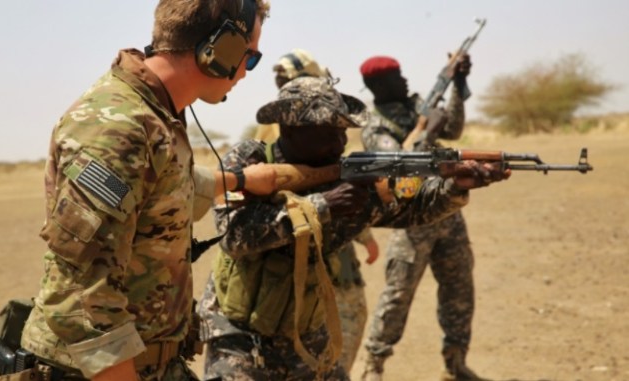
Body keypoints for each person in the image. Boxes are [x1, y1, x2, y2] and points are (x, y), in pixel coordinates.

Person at [18, 1, 273, 381]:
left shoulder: (157, 114)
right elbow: (79, 295)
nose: (246, 73)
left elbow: (167, 187)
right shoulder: (117, 127)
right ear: (221, 48)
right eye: (249, 58)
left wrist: (241, 181)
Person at [197, 76, 510, 381]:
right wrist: (323, 205)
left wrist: (455, 186)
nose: (341, 142)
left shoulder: (342, 174)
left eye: (343, 132)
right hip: (238, 335)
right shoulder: (249, 161)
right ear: (291, 130)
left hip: (305, 334)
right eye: (330, 132)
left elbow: (412, 211)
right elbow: (234, 236)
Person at [358, 55, 484, 381]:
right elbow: (398, 164)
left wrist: (456, 86)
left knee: (459, 291)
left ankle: (455, 365)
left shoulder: (418, 107)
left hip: (448, 211)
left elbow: (453, 129)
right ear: (378, 85)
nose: (405, 80)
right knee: (398, 296)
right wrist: (427, 132)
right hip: (411, 219)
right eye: (396, 76)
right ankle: (373, 366)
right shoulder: (375, 127)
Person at [258, 48, 381, 373]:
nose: (339, 141)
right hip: (318, 257)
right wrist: (364, 234)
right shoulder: (289, 131)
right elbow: (326, 189)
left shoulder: (273, 127)